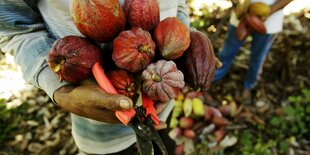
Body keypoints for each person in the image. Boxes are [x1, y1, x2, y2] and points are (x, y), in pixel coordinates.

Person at [0, 0, 190, 154]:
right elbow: (14, 28)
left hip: (160, 103)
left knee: (164, 143)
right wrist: (60, 89)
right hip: (97, 125)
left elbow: (179, 6)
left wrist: (188, 45)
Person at [212, 0, 292, 103]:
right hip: (241, 14)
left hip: (269, 21)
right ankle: (211, 78)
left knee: (257, 58)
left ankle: (249, 86)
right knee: (227, 52)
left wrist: (270, 10)